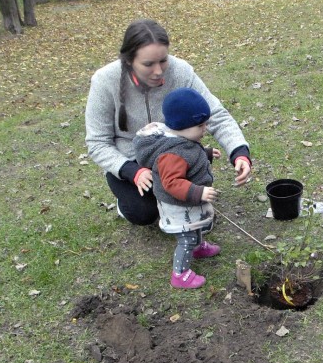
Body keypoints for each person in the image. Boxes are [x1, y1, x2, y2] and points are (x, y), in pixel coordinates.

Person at [85, 19, 251, 228]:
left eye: (163, 61)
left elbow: (216, 114)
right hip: (129, 160)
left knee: (184, 195)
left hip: (174, 154)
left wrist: (239, 151)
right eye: (148, 64)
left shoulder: (181, 71)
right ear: (129, 61)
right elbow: (97, 142)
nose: (158, 71)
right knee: (144, 213)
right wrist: (129, 170)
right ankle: (126, 202)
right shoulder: (104, 80)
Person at [133, 88, 220, 289]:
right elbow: (172, 183)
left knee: (195, 228)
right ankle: (180, 274)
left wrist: (205, 154)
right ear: (182, 126)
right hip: (179, 208)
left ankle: (198, 247)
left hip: (189, 206)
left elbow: (190, 157)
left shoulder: (184, 141)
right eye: (200, 125)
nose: (205, 128)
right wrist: (198, 192)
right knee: (186, 238)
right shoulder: (171, 155)